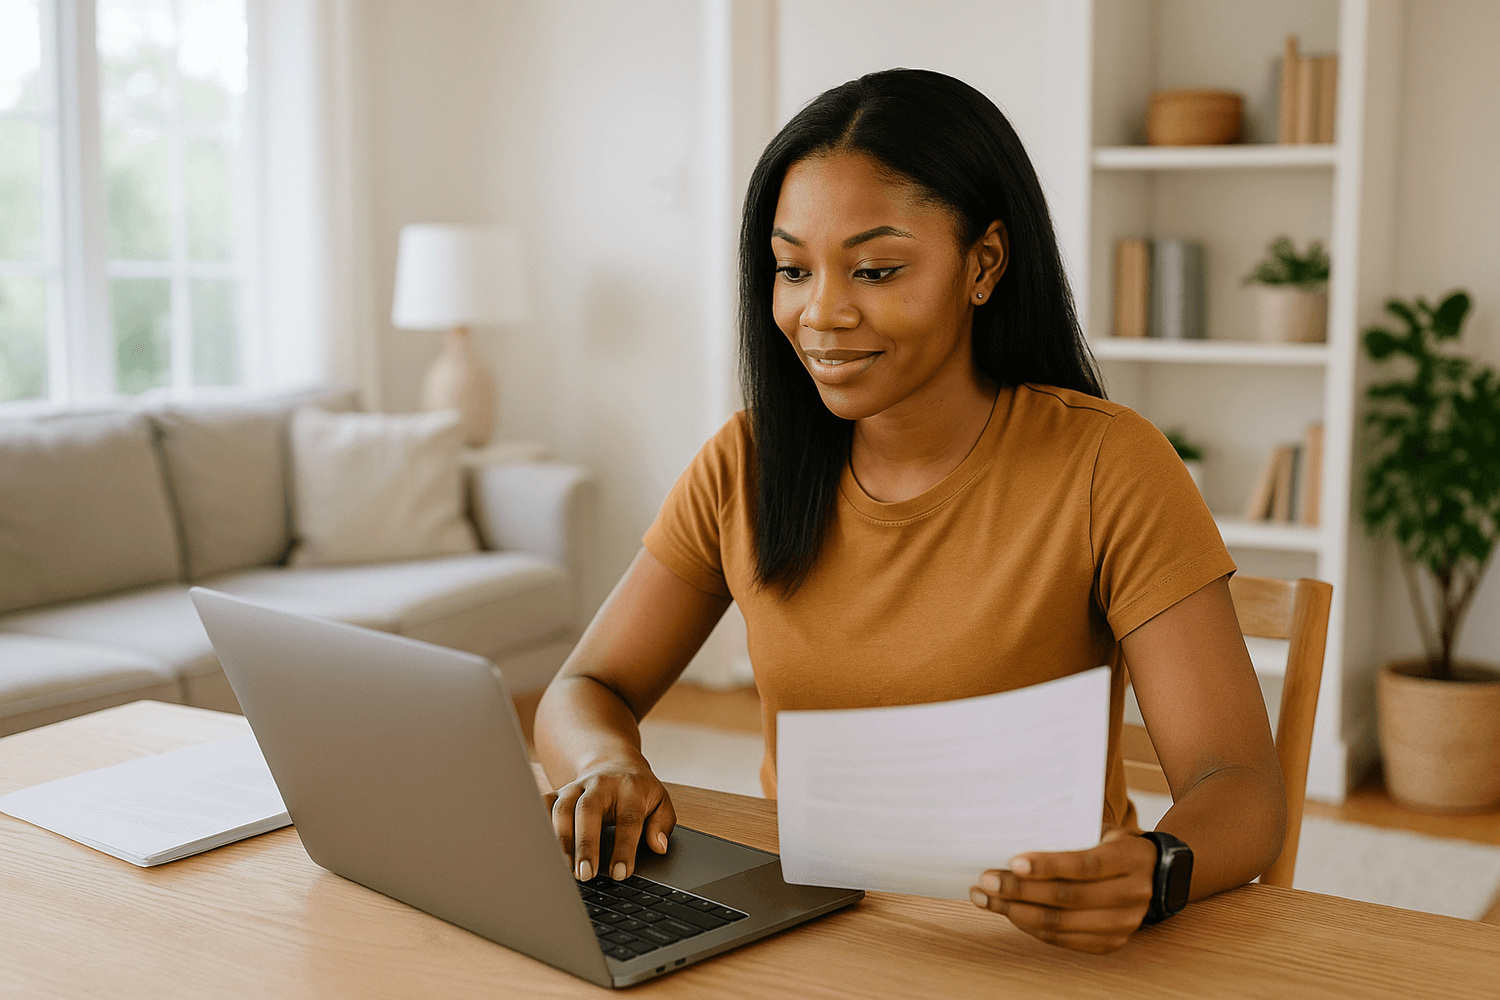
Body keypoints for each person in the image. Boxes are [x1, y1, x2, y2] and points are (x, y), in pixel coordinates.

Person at [535, 68, 1285, 955]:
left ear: (985, 263)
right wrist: (604, 762)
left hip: (1030, 941)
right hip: (807, 929)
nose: (820, 315)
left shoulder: (1106, 464)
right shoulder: (749, 460)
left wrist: (1158, 866)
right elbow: (585, 689)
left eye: (876, 269)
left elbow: (1238, 781)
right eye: (791, 269)